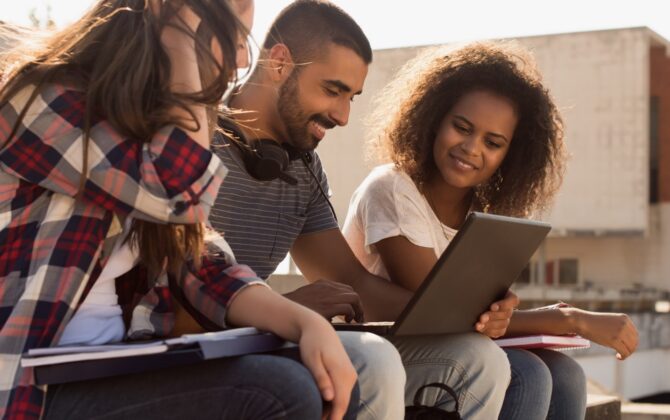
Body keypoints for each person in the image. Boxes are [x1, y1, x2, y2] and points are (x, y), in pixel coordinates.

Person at [0, 1, 361, 419]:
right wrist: (181, 46)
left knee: (336, 377)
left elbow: (200, 262)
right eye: (234, 39)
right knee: (281, 391)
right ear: (172, 25)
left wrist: (304, 323)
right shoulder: (40, 99)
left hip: (115, 363)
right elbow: (177, 192)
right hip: (33, 388)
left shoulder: (154, 129)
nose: (244, 60)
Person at [209, 1, 518, 418]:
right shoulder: (196, 143)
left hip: (266, 339)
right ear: (280, 63)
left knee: (479, 359)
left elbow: (352, 281)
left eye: (352, 97)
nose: (343, 115)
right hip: (205, 348)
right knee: (374, 360)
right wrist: (290, 308)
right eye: (333, 90)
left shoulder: (302, 166)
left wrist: (467, 314)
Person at [343, 41, 640, 419]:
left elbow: (478, 316)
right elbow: (445, 312)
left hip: (454, 348)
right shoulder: (392, 188)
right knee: (528, 374)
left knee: (565, 374)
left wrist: (503, 309)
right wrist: (569, 318)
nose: (471, 148)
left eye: (493, 142)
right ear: (434, 117)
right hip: (380, 352)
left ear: (510, 154)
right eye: (461, 127)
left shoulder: (483, 215)